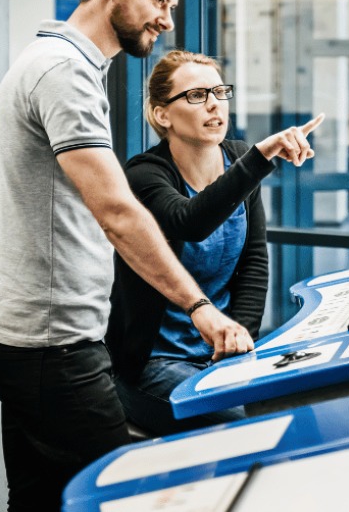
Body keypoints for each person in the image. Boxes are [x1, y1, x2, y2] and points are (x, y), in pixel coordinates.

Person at [0, 0, 255, 512]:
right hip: (56, 347)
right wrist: (199, 308)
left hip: (21, 337)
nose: (167, 20)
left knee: (44, 499)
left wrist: (35, 215)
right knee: (123, 497)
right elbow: (120, 212)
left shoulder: (53, 55)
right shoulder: (66, 72)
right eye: (159, 1)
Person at [107, 49, 323, 435]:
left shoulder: (238, 160)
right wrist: (263, 154)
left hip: (221, 358)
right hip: (156, 364)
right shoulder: (145, 174)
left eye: (220, 92)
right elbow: (190, 221)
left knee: (308, 409)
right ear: (162, 114)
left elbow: (254, 264)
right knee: (259, 429)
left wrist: (238, 344)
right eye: (196, 96)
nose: (214, 105)